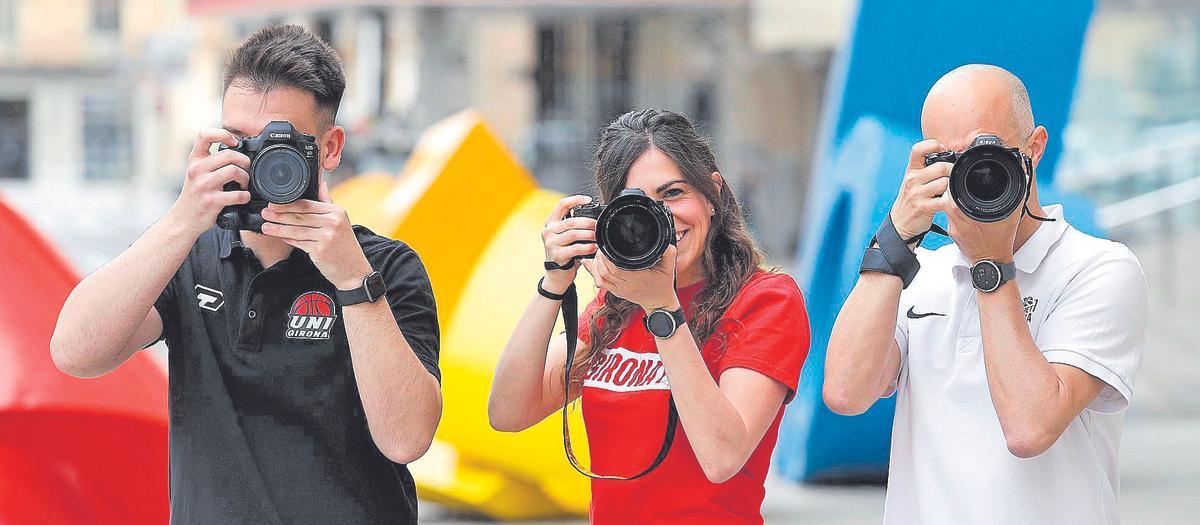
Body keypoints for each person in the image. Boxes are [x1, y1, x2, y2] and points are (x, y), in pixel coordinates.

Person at [50, 25, 441, 524]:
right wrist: (183, 218)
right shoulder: (188, 253)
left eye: (281, 144)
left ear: (330, 148)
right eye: (240, 142)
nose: (260, 162)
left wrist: (350, 279)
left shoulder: (385, 267)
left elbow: (407, 439)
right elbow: (75, 354)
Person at [823, 64, 1147, 524]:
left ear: (1033, 148)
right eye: (949, 160)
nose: (974, 175)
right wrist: (894, 240)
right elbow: (845, 393)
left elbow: (1029, 427)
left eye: (987, 153)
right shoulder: (921, 272)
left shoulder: (1099, 268)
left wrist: (991, 266)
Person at [488, 108, 810, 524]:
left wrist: (663, 310)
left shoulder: (766, 300)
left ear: (713, 194)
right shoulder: (615, 306)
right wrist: (554, 282)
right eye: (638, 204)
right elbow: (508, 412)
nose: (661, 216)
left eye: (673, 193)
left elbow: (722, 457)